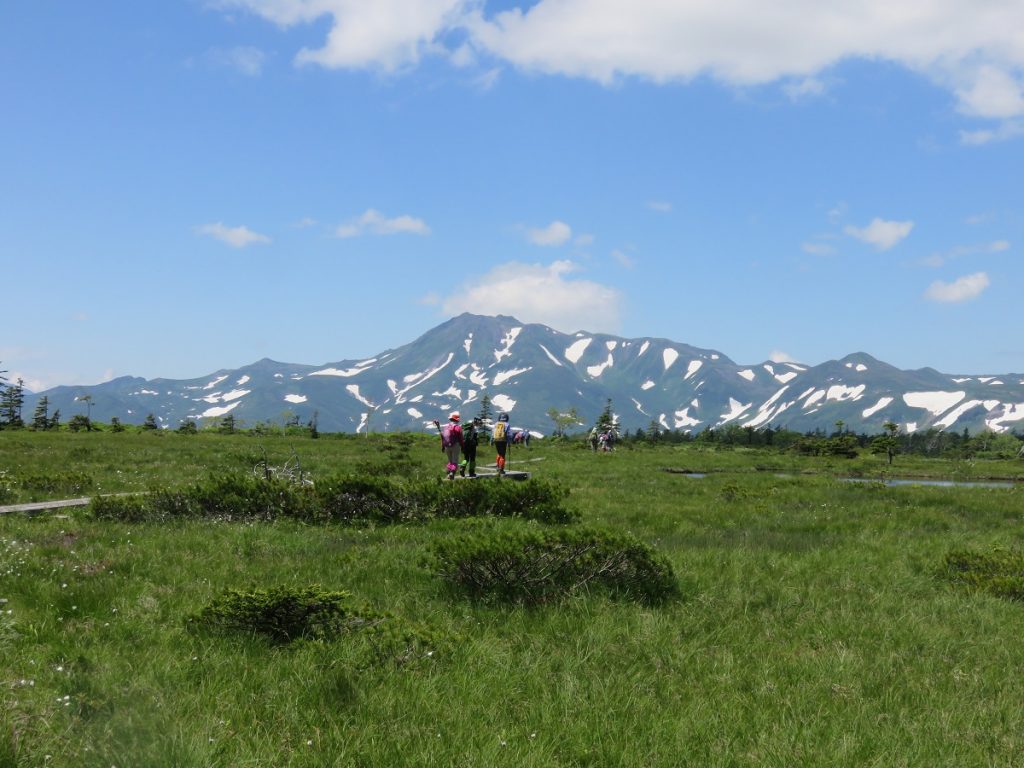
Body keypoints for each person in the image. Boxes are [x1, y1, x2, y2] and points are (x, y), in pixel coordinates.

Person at [437, 412, 463, 480]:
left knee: (450, 461)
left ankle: (448, 472)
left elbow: (443, 437)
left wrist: (442, 446)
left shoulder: (446, 427)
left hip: (446, 446)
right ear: (457, 420)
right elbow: (461, 438)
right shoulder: (458, 427)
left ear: (451, 419)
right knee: (455, 461)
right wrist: (462, 446)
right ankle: (452, 473)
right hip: (455, 445)